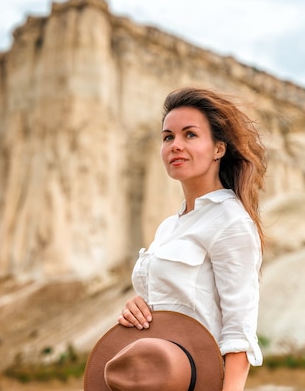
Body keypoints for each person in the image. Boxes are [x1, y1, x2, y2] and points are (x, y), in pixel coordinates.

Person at [118, 87, 267, 391]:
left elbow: (239, 330)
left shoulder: (230, 220)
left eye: (190, 135)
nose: (175, 145)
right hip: (154, 380)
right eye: (168, 137)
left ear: (218, 149)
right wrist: (138, 308)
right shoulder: (169, 227)